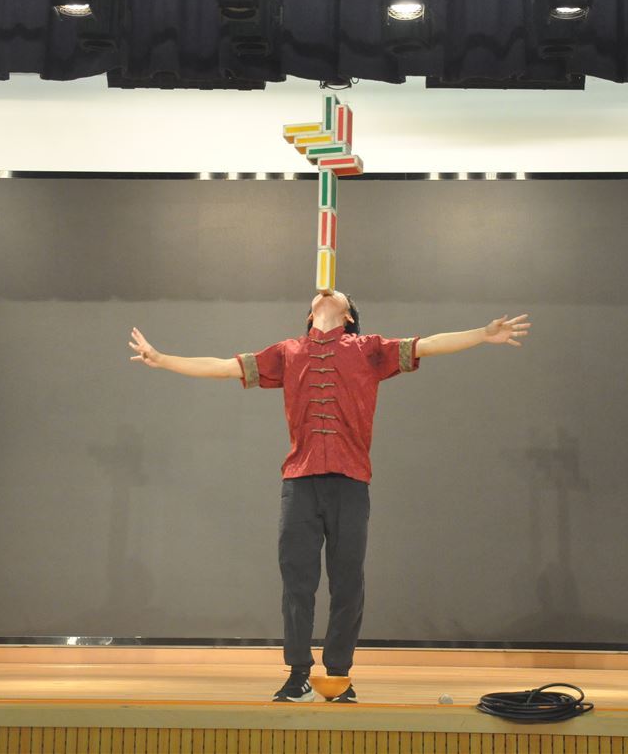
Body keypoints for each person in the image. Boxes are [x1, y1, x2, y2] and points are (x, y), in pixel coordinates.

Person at [129, 290, 530, 702]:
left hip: (350, 483)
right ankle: (298, 674)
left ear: (349, 315)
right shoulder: (287, 352)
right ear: (309, 314)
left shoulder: (369, 350)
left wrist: (483, 334)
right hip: (300, 483)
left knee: (348, 582)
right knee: (296, 581)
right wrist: (163, 359)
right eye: (320, 294)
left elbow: (428, 344)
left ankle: (338, 675)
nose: (326, 292)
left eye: (338, 294)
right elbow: (222, 367)